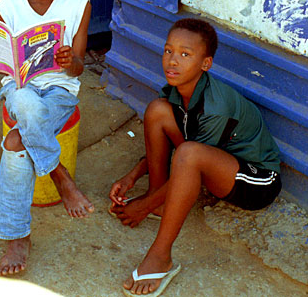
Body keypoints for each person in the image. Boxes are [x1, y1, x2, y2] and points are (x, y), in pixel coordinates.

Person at [108, 18, 281, 296]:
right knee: (157, 110)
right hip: (216, 162)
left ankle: (160, 256)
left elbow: (190, 160)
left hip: (256, 181)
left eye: (185, 54)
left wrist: (140, 208)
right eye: (168, 50)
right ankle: (159, 202)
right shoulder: (178, 90)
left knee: (188, 154)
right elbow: (182, 148)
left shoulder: (216, 107)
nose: (172, 61)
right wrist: (132, 177)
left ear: (206, 64)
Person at [0, 0, 95, 277]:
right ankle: (60, 176)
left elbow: (78, 68)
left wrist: (69, 60)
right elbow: (0, 58)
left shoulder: (78, 6)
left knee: (15, 142)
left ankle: (17, 237)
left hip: (59, 92)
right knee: (25, 99)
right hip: (19, 87)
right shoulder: (9, 5)